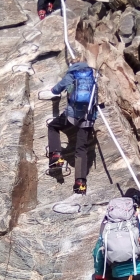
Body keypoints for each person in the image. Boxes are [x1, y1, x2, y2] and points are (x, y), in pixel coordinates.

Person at [48, 56, 97, 194]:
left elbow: (57, 89)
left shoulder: (72, 74)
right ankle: (80, 183)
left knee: (53, 126)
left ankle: (56, 155)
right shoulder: (92, 75)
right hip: (89, 117)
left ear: (71, 64)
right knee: (81, 149)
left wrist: (53, 90)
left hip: (73, 115)